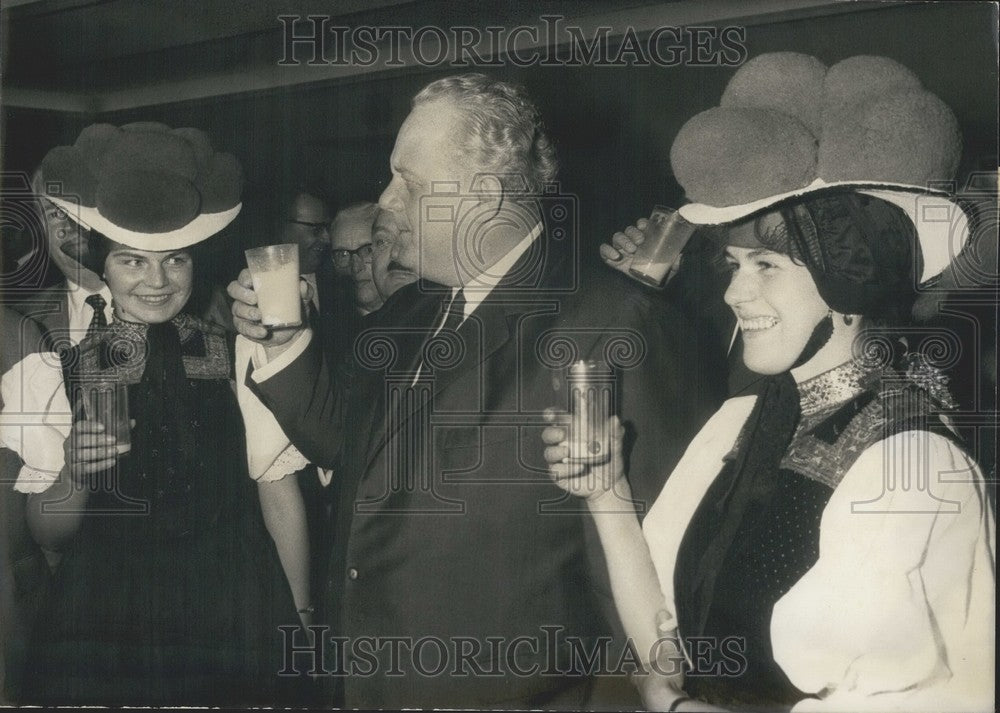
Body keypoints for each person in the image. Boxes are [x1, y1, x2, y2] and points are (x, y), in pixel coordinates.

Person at [229, 73, 723, 708]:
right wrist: (282, 340)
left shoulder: (611, 322)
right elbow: (350, 452)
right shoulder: (409, 314)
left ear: (484, 196)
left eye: (407, 182)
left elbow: (665, 560)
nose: (384, 199)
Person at [543, 53, 995, 711]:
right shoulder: (745, 419)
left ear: (846, 281)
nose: (733, 291)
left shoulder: (909, 458)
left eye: (764, 265)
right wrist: (606, 490)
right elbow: (671, 649)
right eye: (732, 264)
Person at [0, 122, 309, 705]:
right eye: (132, 262)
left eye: (176, 261)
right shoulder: (54, 370)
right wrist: (73, 473)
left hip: (232, 607)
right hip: (109, 618)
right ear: (103, 265)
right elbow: (50, 534)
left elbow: (278, 494)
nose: (157, 281)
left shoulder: (238, 354)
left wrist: (301, 617)